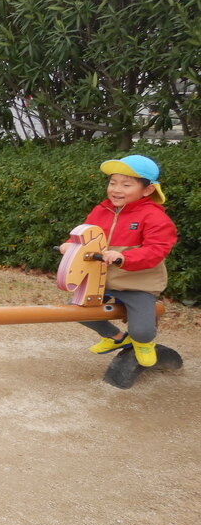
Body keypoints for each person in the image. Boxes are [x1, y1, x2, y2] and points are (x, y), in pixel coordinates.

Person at [77, 154, 177, 367]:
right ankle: (115, 338)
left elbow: (156, 250)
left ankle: (143, 343)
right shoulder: (101, 210)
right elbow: (85, 233)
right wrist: (71, 244)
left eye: (126, 184)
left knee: (142, 330)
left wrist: (125, 257)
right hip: (103, 281)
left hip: (138, 285)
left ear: (147, 190)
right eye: (113, 183)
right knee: (77, 308)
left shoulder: (154, 217)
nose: (116, 189)